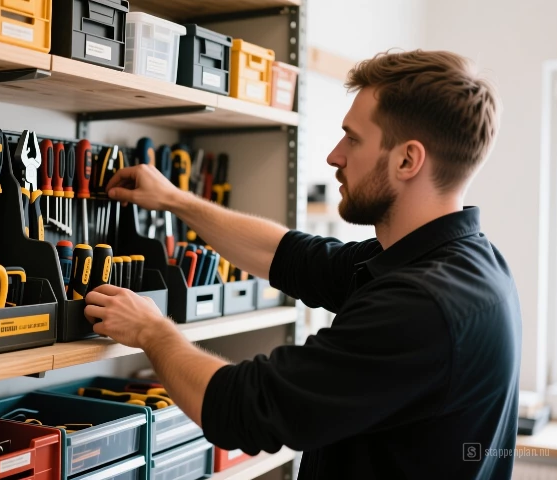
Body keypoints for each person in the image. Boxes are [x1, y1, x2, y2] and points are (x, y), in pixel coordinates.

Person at [84, 50, 520, 479]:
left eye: (353, 139)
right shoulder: (455, 262)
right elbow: (287, 255)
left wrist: (151, 331)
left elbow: (242, 408)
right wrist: (175, 200)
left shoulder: (422, 306)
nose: (335, 156)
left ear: (407, 160)